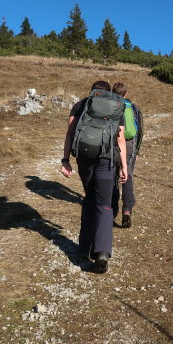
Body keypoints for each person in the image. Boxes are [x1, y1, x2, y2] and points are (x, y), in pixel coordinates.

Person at [61, 80, 128, 273]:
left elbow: (70, 134)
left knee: (89, 198)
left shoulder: (81, 104)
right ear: (109, 94)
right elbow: (120, 138)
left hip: (84, 158)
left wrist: (65, 160)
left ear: (92, 92)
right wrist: (124, 167)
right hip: (107, 160)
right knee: (104, 203)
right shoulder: (116, 106)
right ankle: (101, 253)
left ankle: (84, 247)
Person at [111, 82, 142, 228]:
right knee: (127, 175)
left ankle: (111, 211)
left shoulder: (109, 105)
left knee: (113, 176)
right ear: (126, 94)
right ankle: (127, 211)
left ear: (112, 92)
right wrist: (136, 149)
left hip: (113, 143)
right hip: (129, 144)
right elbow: (139, 128)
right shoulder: (133, 107)